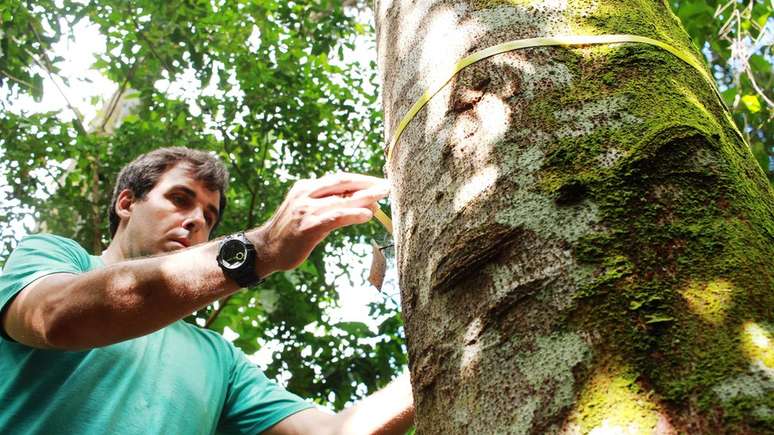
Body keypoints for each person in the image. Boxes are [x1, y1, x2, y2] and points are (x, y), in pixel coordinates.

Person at [0, 147, 414, 434]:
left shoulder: (220, 360)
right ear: (126, 203)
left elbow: (331, 433)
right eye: (180, 199)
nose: (196, 220)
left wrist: (449, 355)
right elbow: (55, 316)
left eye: (209, 216)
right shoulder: (54, 257)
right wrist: (262, 247)